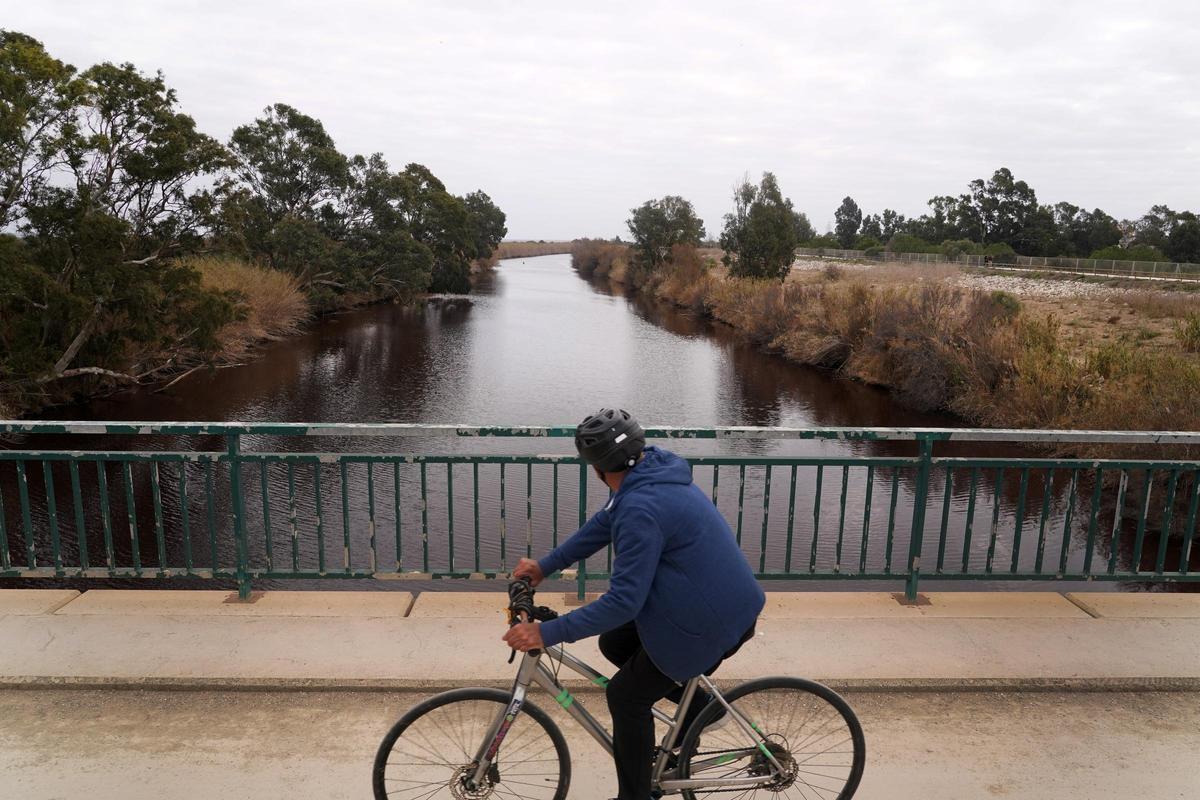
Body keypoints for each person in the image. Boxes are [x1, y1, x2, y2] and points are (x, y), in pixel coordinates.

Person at [502, 408, 765, 800]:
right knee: (615, 644)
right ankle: (700, 711)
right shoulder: (650, 474)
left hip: (710, 619)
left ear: (596, 468)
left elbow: (624, 602)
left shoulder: (641, 509)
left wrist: (547, 631)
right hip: (710, 599)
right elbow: (603, 524)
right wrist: (546, 566)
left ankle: (636, 796)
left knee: (625, 696)